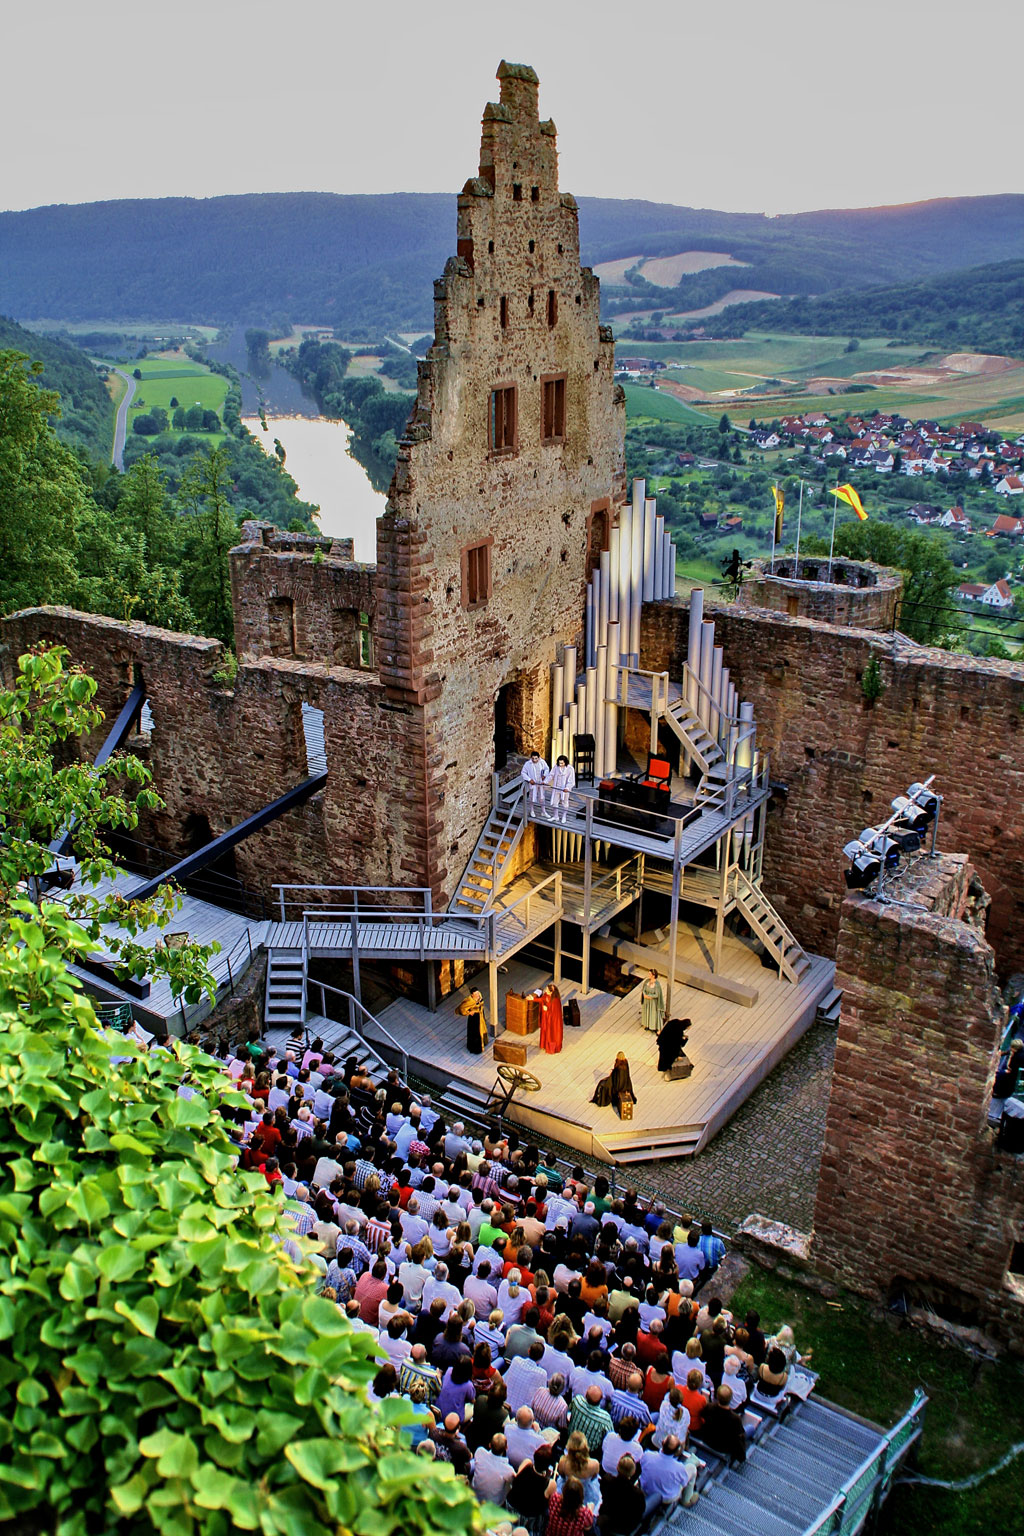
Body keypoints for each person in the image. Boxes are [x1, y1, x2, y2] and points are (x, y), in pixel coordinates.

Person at [456, 989, 488, 1055]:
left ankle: (483, 1042)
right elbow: (461, 1008)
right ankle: (476, 1049)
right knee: (475, 1033)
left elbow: (481, 1004)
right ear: (472, 995)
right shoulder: (469, 1001)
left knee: (482, 1029)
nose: (477, 995)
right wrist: (469, 1012)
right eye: (475, 994)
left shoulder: (480, 997)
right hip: (474, 1018)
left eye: (477, 993)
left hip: (480, 1015)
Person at [546, 755, 576, 824]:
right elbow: (551, 775)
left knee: (565, 803)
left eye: (562, 763)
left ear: (565, 762)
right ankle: (555, 816)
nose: (560, 764)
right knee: (555, 802)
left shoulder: (570, 769)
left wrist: (567, 788)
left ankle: (564, 816)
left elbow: (571, 781)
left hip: (564, 789)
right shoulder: (556, 767)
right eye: (559, 763)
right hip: (556, 788)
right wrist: (545, 781)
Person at [540, 982, 564, 1055]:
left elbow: (554, 1013)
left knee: (551, 1034)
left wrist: (547, 1009)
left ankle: (551, 1048)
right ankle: (544, 1045)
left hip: (553, 1021)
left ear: (551, 992)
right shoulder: (546, 995)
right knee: (545, 1030)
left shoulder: (555, 1001)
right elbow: (542, 999)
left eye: (547, 990)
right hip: (547, 1018)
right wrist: (533, 999)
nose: (546, 991)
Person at [639, 970, 665, 1035]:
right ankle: (646, 1024)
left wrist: (649, 996)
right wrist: (645, 995)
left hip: (653, 1002)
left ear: (653, 975)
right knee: (646, 1012)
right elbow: (643, 989)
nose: (649, 975)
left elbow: (657, 994)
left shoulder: (657, 985)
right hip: (646, 1001)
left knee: (654, 1014)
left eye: (650, 974)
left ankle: (657, 1028)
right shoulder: (647, 981)